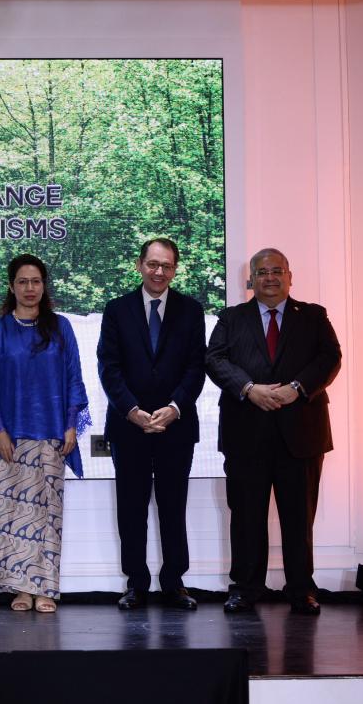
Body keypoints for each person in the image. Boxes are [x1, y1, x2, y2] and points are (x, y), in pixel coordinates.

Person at [206, 248, 341, 615]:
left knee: (299, 517)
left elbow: (330, 357)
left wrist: (295, 388)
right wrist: (251, 389)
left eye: (277, 271)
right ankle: (245, 589)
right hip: (245, 432)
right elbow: (214, 359)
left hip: (301, 433)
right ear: (251, 279)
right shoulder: (232, 318)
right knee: (247, 516)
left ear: (289, 275)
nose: (270, 278)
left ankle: (302, 590)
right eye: (262, 272)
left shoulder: (313, 316)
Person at [0, 254, 90, 613]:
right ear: (11, 286)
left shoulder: (61, 328)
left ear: (44, 286)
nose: (29, 288)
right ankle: (20, 590)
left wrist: (70, 423)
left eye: (36, 281)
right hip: (8, 438)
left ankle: (45, 589)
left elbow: (74, 377)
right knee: (10, 518)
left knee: (45, 516)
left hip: (51, 436)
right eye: (22, 282)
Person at [96, 238, 206, 611]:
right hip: (130, 427)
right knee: (132, 507)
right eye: (153, 264)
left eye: (167, 266)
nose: (160, 272)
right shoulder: (116, 310)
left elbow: (195, 367)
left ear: (175, 269)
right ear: (139, 264)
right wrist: (131, 410)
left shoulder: (192, 311)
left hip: (177, 426)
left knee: (173, 507)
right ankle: (136, 583)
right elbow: (108, 367)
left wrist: (174, 408)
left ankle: (174, 582)